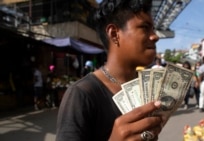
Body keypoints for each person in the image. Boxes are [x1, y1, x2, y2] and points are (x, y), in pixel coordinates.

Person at [56, 1, 164, 141]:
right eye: (144, 27)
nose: (155, 36)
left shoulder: (146, 88)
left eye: (153, 29)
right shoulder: (81, 94)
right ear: (114, 34)